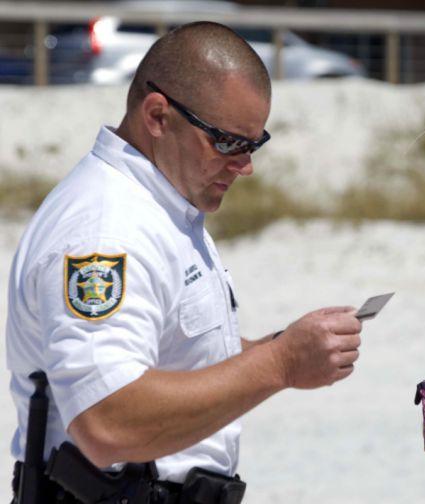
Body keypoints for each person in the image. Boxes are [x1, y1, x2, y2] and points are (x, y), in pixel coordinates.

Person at [6, 22, 362, 501]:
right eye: (228, 142)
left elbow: (174, 350)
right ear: (157, 116)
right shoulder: (107, 230)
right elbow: (105, 422)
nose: (245, 165)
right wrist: (279, 364)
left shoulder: (160, 207)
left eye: (254, 145)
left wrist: (276, 348)